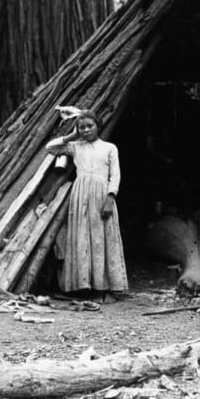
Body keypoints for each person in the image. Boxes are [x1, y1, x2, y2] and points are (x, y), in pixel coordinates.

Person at [46, 111, 127, 300]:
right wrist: (71, 136)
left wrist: (110, 197)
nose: (86, 130)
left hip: (101, 194)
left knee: (100, 238)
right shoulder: (75, 147)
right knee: (82, 237)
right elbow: (50, 148)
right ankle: (85, 286)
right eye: (82, 127)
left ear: (98, 126)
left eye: (90, 125)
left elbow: (115, 175)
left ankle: (103, 287)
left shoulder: (109, 148)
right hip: (81, 194)